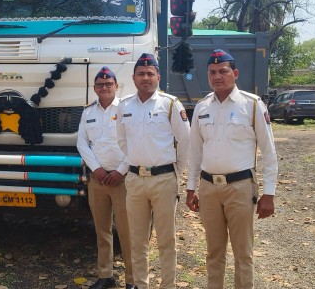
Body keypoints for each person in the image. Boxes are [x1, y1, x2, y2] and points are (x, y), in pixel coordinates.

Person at [185, 49, 278, 289]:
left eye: (223, 71)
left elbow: (268, 152)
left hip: (240, 188)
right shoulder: (202, 107)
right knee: (213, 251)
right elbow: (195, 152)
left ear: (235, 73)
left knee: (243, 253)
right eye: (212, 72)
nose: (217, 76)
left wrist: (269, 193)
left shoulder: (252, 105)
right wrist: (190, 188)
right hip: (208, 189)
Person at [116, 53, 191, 289]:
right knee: (137, 239)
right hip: (136, 180)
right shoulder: (125, 105)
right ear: (133, 78)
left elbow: (185, 141)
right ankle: (140, 284)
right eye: (141, 74)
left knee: (166, 240)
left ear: (158, 76)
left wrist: (175, 171)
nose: (146, 78)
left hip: (164, 180)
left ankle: (168, 285)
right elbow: (122, 141)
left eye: (150, 73)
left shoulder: (170, 104)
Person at [77, 67, 135, 289]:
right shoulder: (88, 112)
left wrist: (121, 170)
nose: (104, 87)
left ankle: (131, 279)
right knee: (102, 229)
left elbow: (134, 141)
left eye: (108, 84)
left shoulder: (126, 109)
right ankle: (105, 275)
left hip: (122, 179)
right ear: (94, 88)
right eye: (100, 85)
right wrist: (97, 169)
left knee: (127, 231)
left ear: (116, 86)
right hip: (98, 180)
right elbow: (82, 143)